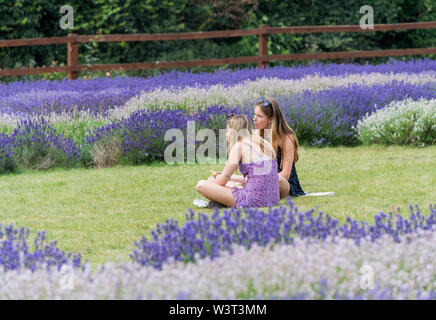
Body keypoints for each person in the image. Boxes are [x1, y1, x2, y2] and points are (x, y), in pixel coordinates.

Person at [195, 114, 280, 208]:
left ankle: (221, 201)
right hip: (272, 198)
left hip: (254, 200)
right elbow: (257, 178)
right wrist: (229, 177)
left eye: (228, 131)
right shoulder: (263, 142)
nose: (226, 134)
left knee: (201, 185)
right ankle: (221, 202)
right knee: (233, 184)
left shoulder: (239, 146)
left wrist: (213, 181)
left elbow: (221, 182)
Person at [253, 96, 306, 199]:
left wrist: (259, 180)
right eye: (254, 114)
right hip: (263, 180)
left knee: (277, 181)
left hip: (284, 184)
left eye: (259, 116)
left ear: (271, 119)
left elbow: (285, 174)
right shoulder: (257, 135)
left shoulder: (286, 138)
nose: (254, 119)